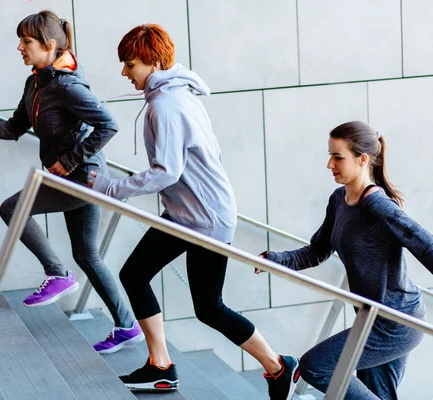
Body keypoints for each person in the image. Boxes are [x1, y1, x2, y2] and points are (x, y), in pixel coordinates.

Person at [89, 24, 300, 400]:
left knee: (208, 308)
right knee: (135, 274)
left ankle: (279, 366)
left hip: (205, 220)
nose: (125, 72)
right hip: (189, 214)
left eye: (130, 63)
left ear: (153, 62)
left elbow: (166, 170)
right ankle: (160, 367)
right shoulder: (175, 96)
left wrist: (110, 188)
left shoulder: (167, 105)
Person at [256, 120, 433, 399]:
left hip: (396, 322)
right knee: (377, 393)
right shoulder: (339, 200)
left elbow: (430, 247)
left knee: (316, 367)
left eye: (338, 157)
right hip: (370, 317)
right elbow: (318, 250)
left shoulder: (377, 206)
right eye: (329, 155)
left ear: (363, 159)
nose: (329, 164)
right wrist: (278, 260)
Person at [0, 10, 143, 354]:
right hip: (74, 176)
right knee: (88, 254)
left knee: (12, 209)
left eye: (26, 41)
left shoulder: (68, 86)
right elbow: (15, 128)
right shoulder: (36, 83)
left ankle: (57, 274)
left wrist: (69, 160)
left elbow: (109, 124)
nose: (19, 47)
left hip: (82, 178)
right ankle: (127, 326)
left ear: (49, 44)